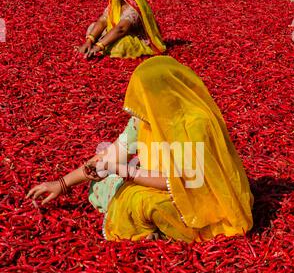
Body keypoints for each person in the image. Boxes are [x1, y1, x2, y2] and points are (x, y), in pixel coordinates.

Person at [27, 56, 253, 243]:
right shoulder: (144, 120)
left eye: (144, 96)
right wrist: (62, 184)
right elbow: (112, 154)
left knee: (143, 201)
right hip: (158, 182)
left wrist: (123, 170)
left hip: (199, 199)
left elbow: (179, 183)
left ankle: (165, 231)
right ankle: (155, 228)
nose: (138, 104)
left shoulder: (195, 124)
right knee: (103, 182)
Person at [77, 0, 166, 59]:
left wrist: (98, 46)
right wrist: (89, 41)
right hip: (117, 32)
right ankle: (101, 45)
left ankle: (103, 46)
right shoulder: (116, 3)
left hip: (136, 38)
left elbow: (121, 29)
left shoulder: (135, 6)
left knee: (122, 43)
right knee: (93, 26)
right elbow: (103, 21)